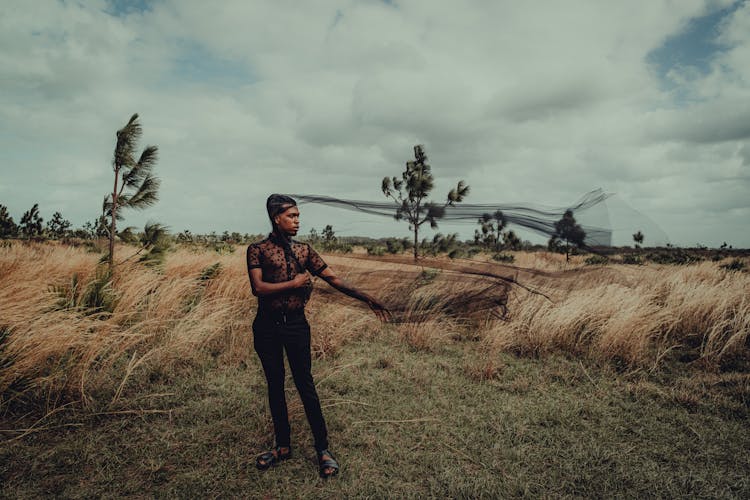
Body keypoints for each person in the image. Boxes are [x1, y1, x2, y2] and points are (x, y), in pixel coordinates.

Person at [247, 194, 390, 479]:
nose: (297, 221)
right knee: (275, 385)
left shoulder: (304, 251)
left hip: (296, 325)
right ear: (276, 218)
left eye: (298, 216)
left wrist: (366, 298)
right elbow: (258, 288)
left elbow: (333, 279)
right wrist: (296, 282)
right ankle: (282, 447)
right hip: (266, 327)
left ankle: (323, 449)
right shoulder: (257, 250)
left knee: (305, 384)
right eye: (292, 216)